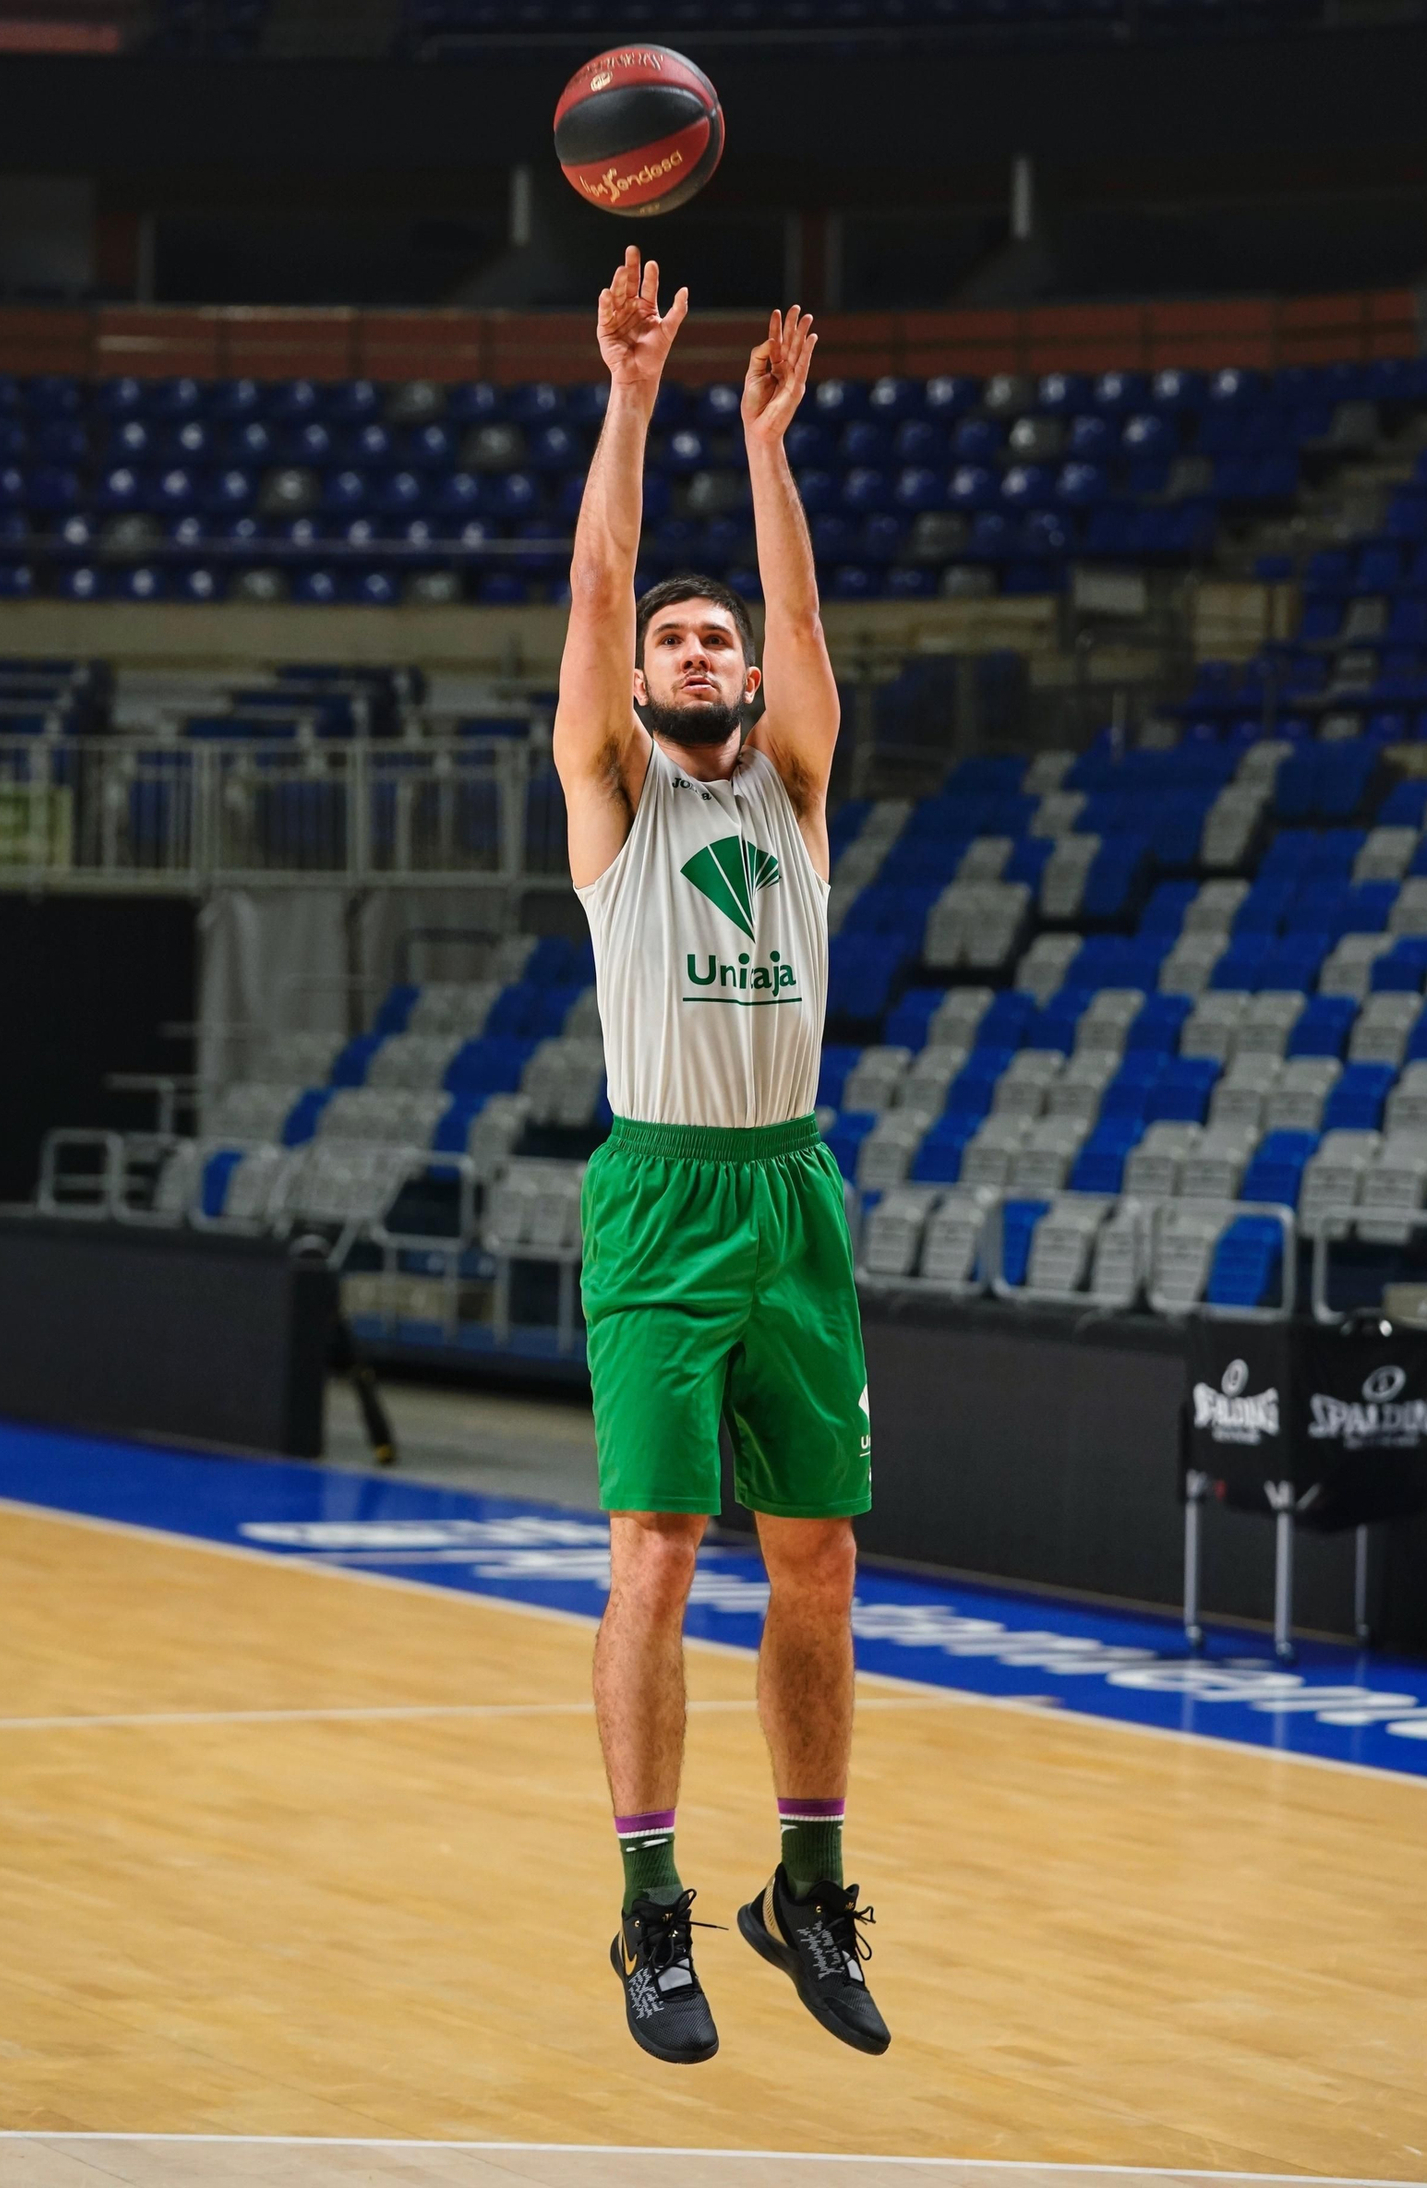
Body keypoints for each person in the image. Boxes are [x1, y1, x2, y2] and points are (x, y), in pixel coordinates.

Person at [554, 246, 888, 2066]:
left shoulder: (796, 785)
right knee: (660, 1554)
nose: (702, 650)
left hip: (791, 1191)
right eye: (679, 641)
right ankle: (647, 1918)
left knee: (820, 1559)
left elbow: (808, 634)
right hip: (665, 1194)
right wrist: (631, 393)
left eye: (720, 641)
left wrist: (767, 444)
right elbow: (602, 589)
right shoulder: (615, 790)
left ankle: (807, 1890)